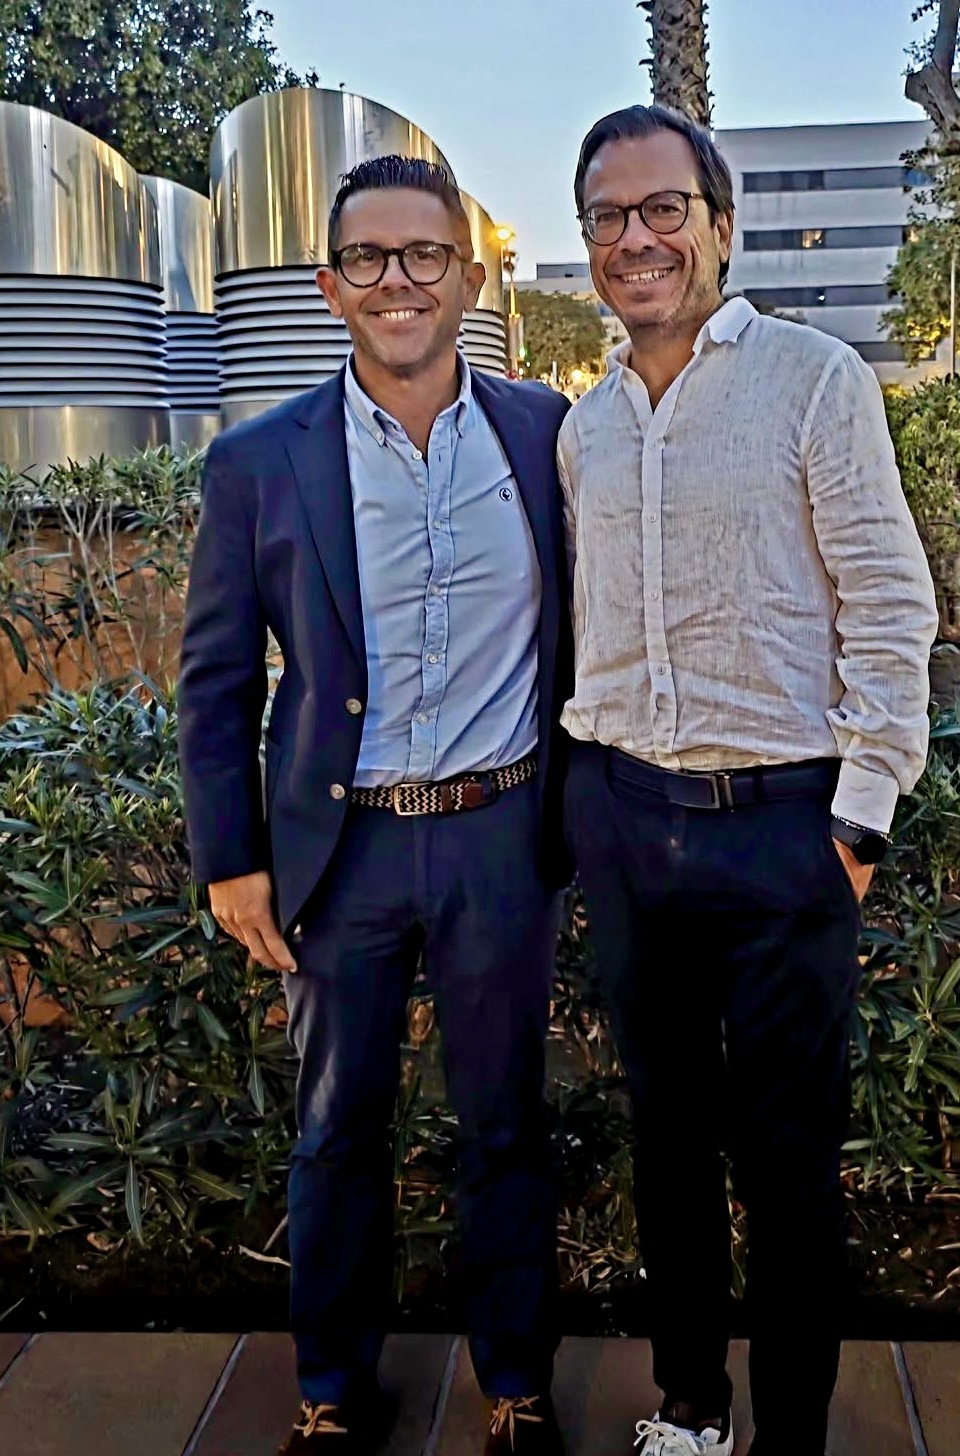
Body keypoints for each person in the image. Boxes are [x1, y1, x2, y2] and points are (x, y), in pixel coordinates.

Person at [557, 106, 939, 1456]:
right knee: (665, 1143)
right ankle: (691, 1407)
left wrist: (861, 816)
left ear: (721, 227)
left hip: (783, 831)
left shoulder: (813, 380)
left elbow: (888, 599)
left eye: (664, 208)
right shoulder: (587, 426)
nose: (636, 237)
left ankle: (790, 1436)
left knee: (787, 1165)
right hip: (624, 822)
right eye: (609, 216)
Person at [178, 155, 571, 1456]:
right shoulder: (258, 462)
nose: (398, 279)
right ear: (329, 283)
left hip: (502, 834)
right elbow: (216, 678)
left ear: (471, 275)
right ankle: (332, 1392)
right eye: (368, 256)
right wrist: (230, 857)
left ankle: (515, 1386)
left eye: (424, 254)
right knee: (336, 1127)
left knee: (505, 1122)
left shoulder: (546, 434)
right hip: (336, 849)